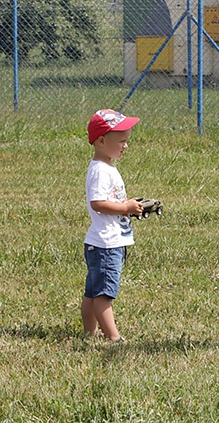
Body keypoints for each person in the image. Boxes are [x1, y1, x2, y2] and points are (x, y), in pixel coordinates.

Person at [81, 109, 143, 343]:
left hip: (102, 242)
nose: (125, 146)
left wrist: (129, 207)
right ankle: (113, 337)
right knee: (103, 295)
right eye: (122, 141)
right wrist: (126, 207)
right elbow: (97, 203)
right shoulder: (100, 171)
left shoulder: (106, 167)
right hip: (106, 244)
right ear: (102, 141)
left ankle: (90, 333)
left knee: (92, 293)